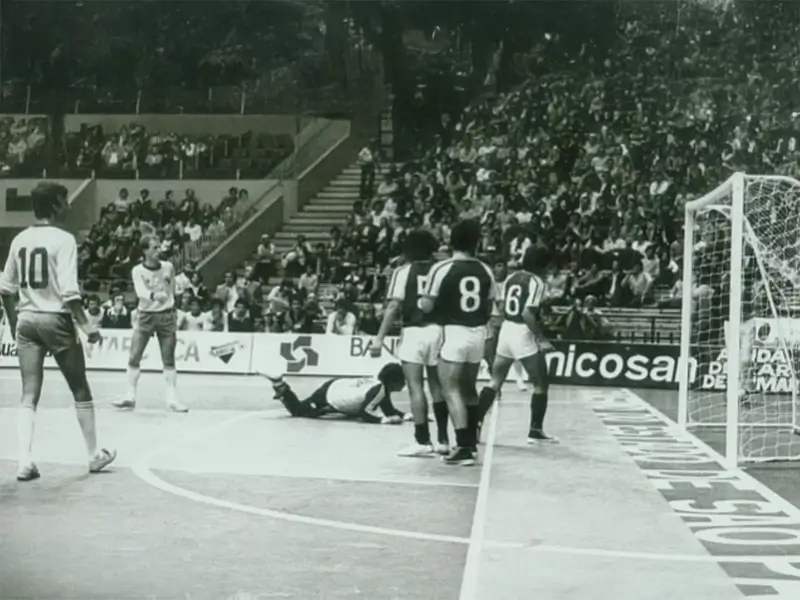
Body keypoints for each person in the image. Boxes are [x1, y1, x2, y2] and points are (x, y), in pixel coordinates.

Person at [0, 181, 116, 481]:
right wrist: (87, 326)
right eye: (64, 201)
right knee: (80, 387)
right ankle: (93, 455)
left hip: (26, 319)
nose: (69, 207)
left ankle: (24, 460)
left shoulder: (19, 240)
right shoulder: (64, 240)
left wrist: (14, 324)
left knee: (29, 393)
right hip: (56, 319)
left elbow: (5, 290)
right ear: (53, 206)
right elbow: (70, 293)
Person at [419, 219, 495, 466]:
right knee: (469, 388)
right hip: (478, 334)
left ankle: (462, 445)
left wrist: (424, 303)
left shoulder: (442, 268)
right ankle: (471, 443)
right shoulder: (486, 269)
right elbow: (492, 304)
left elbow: (426, 305)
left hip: (454, 332)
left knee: (449, 388)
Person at [370, 229, 450, 457]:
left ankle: (422, 440)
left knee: (416, 387)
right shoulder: (442, 270)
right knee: (438, 387)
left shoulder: (403, 272)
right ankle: (443, 439)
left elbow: (394, 307)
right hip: (439, 331)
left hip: (414, 331)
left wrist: (379, 338)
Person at [478, 246, 557, 443]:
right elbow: (527, 314)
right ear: (542, 265)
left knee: (495, 381)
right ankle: (535, 430)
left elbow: (503, 307)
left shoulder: (511, 278)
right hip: (523, 332)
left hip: (506, 329)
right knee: (540, 383)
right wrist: (541, 338)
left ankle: (475, 423)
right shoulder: (536, 282)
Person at [112, 235, 187, 412]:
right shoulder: (138, 270)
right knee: (134, 355)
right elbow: (140, 291)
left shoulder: (168, 267)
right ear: (145, 250)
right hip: (145, 315)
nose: (158, 250)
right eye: (154, 248)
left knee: (168, 358)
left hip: (167, 315)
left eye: (159, 247)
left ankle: (172, 399)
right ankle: (130, 396)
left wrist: (176, 294)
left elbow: (173, 288)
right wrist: (154, 296)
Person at [258, 362, 412, 424]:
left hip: (336, 385)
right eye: (402, 381)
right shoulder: (379, 390)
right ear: (392, 382)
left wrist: (405, 415)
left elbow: (386, 407)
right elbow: (366, 414)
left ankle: (279, 384)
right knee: (298, 411)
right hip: (329, 396)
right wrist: (385, 421)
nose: (405, 384)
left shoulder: (379, 386)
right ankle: (279, 383)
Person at [484, 262, 528, 392]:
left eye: (502, 266)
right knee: (489, 353)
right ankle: (494, 380)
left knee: (513, 350)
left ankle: (519, 378)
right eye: (497, 265)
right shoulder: (489, 282)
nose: (500, 268)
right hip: (491, 320)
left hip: (506, 320)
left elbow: (502, 306)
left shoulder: (511, 282)